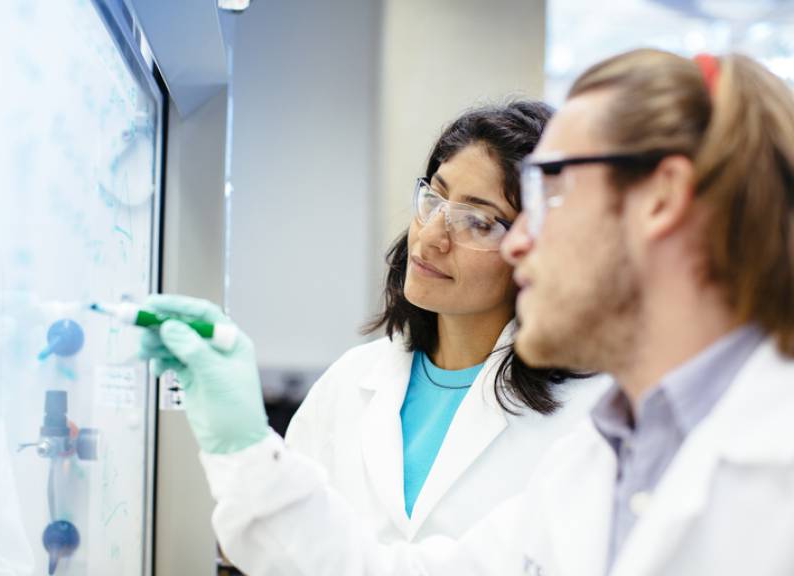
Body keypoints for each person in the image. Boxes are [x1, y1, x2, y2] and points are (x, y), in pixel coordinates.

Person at [142, 48, 794, 576]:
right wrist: (243, 447)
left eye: (553, 191)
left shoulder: (771, 464)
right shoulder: (600, 463)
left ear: (662, 200)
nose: (517, 241)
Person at [143, 102, 608, 550]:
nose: (431, 236)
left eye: (478, 223)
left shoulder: (586, 416)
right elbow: (284, 549)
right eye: (434, 198)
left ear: (536, 248)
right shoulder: (348, 384)